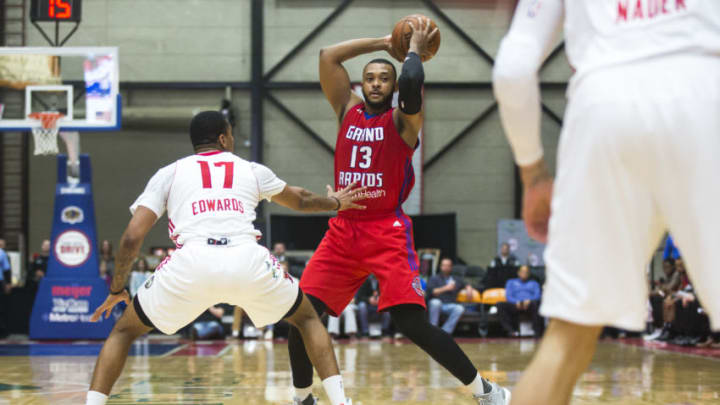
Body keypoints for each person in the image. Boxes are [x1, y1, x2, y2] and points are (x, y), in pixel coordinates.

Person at [492, 1, 720, 404]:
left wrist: (533, 173)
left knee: (568, 336)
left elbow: (513, 69)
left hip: (603, 107)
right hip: (707, 89)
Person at [287, 18, 509, 405]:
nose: (375, 83)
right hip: (343, 229)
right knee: (301, 316)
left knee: (412, 324)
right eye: (369, 77)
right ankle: (303, 397)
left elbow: (410, 84)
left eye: (382, 78)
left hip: (384, 229)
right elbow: (328, 57)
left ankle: (485, 391)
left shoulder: (403, 121)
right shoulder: (347, 110)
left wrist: (410, 52)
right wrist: (383, 41)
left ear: (392, 87)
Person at [84, 111, 366, 405]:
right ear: (223, 138)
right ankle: (335, 401)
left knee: (122, 331)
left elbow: (131, 238)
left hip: (191, 264)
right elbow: (302, 199)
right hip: (246, 259)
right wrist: (335, 202)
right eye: (230, 134)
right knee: (308, 319)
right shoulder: (252, 169)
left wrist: (117, 289)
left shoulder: (169, 173)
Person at [496, 266, 543, 337]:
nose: (524, 274)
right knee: (500, 304)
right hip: (515, 305)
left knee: (536, 303)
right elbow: (508, 296)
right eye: (522, 272)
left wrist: (529, 300)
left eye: (526, 272)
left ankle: (536, 332)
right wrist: (516, 301)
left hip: (530, 305)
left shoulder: (534, 283)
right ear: (518, 273)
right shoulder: (511, 282)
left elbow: (537, 295)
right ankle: (511, 331)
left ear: (529, 274)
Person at [427, 258, 466, 335]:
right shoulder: (434, 278)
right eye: (444, 265)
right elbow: (432, 292)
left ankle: (445, 332)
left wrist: (469, 288)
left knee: (460, 308)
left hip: (449, 304)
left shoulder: (456, 278)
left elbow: (465, 284)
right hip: (437, 304)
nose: (446, 267)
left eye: (448, 265)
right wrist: (446, 288)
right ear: (440, 267)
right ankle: (433, 331)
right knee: (435, 303)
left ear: (451, 267)